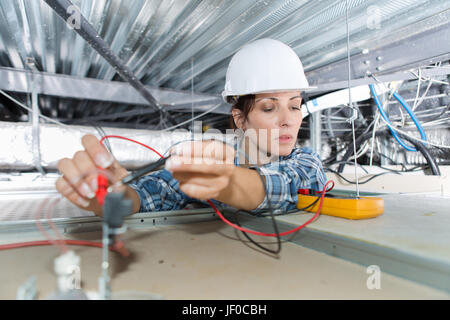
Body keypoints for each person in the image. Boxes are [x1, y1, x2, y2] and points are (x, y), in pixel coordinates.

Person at [55, 38, 327, 216]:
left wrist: (226, 182)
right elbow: (152, 192)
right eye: (269, 107)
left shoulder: (306, 162)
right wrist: (115, 195)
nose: (288, 119)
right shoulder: (203, 161)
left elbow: (286, 185)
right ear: (240, 118)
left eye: (294, 105)